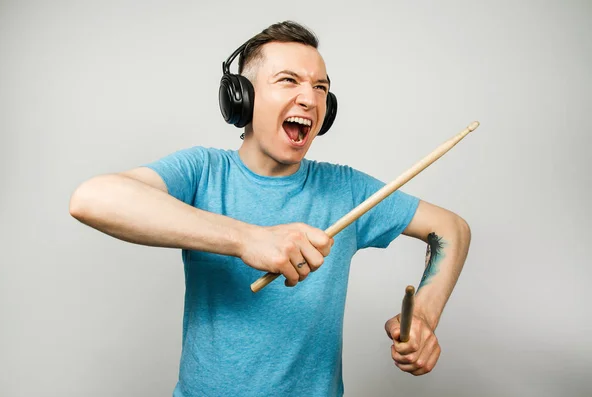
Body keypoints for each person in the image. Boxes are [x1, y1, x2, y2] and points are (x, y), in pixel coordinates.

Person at [69, 20, 471, 397]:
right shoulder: (203, 172)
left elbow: (451, 229)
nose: (309, 99)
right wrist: (247, 239)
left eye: (320, 87)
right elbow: (92, 198)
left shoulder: (346, 189)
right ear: (241, 98)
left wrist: (422, 317)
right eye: (289, 81)